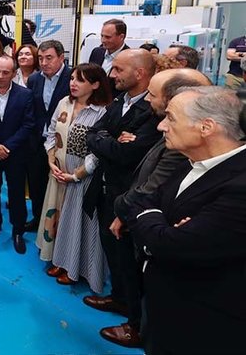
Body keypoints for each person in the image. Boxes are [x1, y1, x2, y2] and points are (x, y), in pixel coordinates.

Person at [125, 86, 246, 355]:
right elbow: (142, 203)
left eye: (171, 118)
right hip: (164, 314)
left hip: (202, 326)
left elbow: (172, 244)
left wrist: (160, 231)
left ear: (206, 127)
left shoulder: (240, 186)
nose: (161, 126)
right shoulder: (193, 162)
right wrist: (162, 225)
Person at [82, 49, 160, 348]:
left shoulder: (151, 113)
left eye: (117, 70)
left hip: (128, 196)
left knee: (130, 259)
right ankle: (119, 299)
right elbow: (94, 133)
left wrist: (108, 142)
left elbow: (127, 154)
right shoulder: (119, 103)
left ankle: (136, 324)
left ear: (139, 74)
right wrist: (110, 141)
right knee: (113, 252)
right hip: (106, 189)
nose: (111, 75)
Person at [112, 68, 211, 234]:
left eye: (152, 94)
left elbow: (152, 189)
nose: (147, 98)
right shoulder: (158, 121)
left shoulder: (184, 145)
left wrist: (120, 205)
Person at [42, 64, 111, 293]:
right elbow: (51, 132)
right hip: (59, 171)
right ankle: (58, 259)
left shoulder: (103, 112)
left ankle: (74, 267)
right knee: (56, 215)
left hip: (82, 177)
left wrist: (76, 175)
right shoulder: (64, 103)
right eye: (72, 78)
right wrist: (52, 161)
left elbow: (99, 152)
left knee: (78, 224)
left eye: (79, 80)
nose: (73, 83)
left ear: (95, 84)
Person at [0, 56, 34, 254]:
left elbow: (28, 125)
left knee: (16, 193)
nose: (0, 76)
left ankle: (18, 230)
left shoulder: (25, 95)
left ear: (14, 73)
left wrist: (7, 147)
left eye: (5, 72)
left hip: (15, 154)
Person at [25, 40, 72, 231]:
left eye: (49, 58)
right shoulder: (34, 79)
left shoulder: (72, 78)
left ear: (61, 57)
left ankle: (61, 228)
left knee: (61, 188)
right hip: (36, 142)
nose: (44, 62)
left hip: (63, 144)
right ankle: (38, 219)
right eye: (41, 58)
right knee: (36, 185)